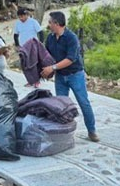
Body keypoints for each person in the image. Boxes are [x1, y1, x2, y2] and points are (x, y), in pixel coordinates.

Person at [42, 11, 99, 142]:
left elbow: (70, 59)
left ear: (56, 23)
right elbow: (47, 56)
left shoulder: (71, 38)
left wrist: (53, 68)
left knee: (83, 102)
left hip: (75, 75)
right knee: (61, 106)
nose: (48, 25)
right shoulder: (50, 38)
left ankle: (92, 131)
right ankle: (64, 133)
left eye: (50, 22)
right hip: (60, 76)